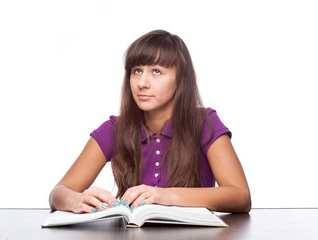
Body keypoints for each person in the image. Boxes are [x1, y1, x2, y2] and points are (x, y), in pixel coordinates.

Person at [49, 30, 251, 214]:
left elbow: (240, 196)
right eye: (136, 71)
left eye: (156, 71)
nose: (142, 83)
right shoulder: (114, 129)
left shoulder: (204, 122)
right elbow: (58, 192)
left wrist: (164, 196)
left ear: (180, 79)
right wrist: (74, 200)